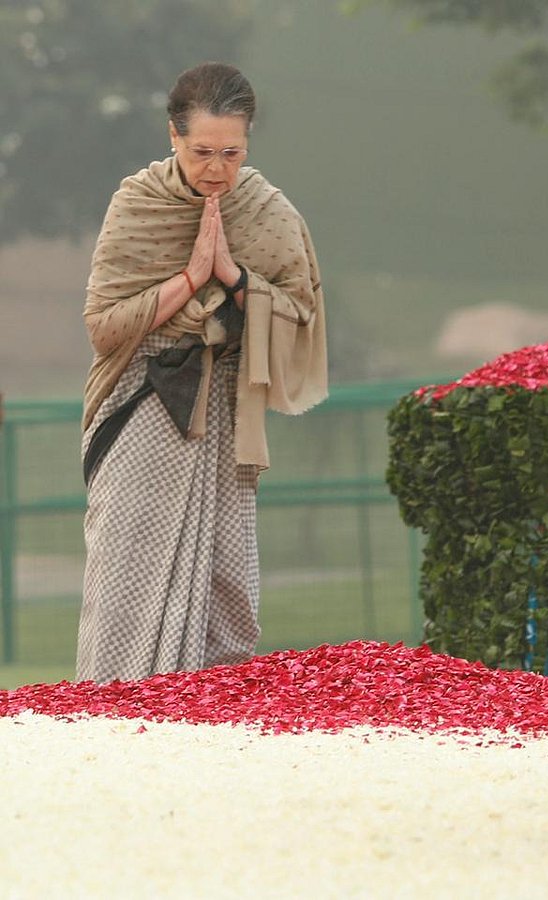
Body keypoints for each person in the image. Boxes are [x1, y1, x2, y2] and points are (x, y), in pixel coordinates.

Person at [76, 62, 327, 683]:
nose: (216, 168)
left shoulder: (266, 211)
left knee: (227, 582)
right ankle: (111, 716)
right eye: (202, 152)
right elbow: (104, 325)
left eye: (231, 153)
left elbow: (300, 314)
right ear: (173, 135)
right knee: (125, 574)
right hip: (141, 400)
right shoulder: (138, 203)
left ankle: (210, 723)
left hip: (227, 413)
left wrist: (235, 278)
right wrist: (191, 278)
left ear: (248, 142)